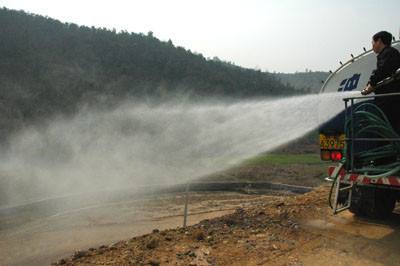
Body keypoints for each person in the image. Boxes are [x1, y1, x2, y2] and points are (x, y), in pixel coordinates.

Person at [361, 31, 400, 133]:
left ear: (379, 41)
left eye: (372, 42)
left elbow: (382, 70)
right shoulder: (389, 53)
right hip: (388, 99)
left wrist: (371, 84)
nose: (372, 46)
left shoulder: (388, 53)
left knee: (388, 129)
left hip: (390, 100)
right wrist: (370, 84)